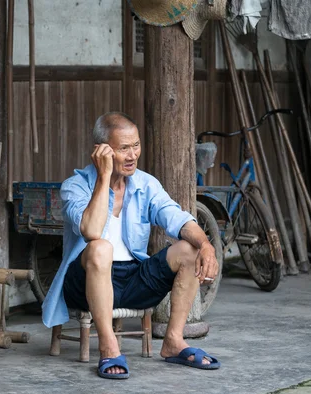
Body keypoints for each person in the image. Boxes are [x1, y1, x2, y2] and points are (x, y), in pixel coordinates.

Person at [41, 111, 221, 379]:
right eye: (123, 148)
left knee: (190, 249)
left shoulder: (145, 184)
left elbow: (177, 217)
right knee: (101, 247)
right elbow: (91, 231)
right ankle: (108, 345)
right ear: (101, 151)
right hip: (86, 282)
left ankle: (173, 341)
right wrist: (104, 179)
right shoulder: (75, 186)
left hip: (134, 279)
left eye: (135, 145)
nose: (132, 155)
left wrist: (206, 245)